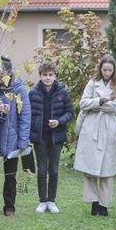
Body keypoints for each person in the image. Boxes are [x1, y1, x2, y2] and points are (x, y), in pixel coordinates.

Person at [74, 55, 116, 216]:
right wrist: (100, 102)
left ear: (114, 70)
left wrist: (95, 104)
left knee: (107, 168)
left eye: (110, 70)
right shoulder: (92, 83)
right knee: (90, 167)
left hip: (108, 128)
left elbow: (115, 107)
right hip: (91, 126)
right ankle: (94, 202)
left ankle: (104, 204)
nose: (107, 73)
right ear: (100, 69)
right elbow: (83, 103)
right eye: (104, 70)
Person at [28, 61, 73, 213]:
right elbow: (28, 115)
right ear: (40, 76)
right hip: (40, 137)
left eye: (50, 75)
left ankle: (52, 201)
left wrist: (59, 121)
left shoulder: (62, 92)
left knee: (53, 170)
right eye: (45, 75)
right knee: (41, 170)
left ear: (55, 76)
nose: (48, 78)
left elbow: (69, 112)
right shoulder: (33, 93)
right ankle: (42, 201)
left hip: (56, 137)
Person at [0, 56, 31, 216]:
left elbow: (25, 115)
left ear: (9, 72)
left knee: (10, 176)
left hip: (12, 140)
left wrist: (23, 140)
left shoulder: (19, 89)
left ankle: (9, 207)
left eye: (2, 74)